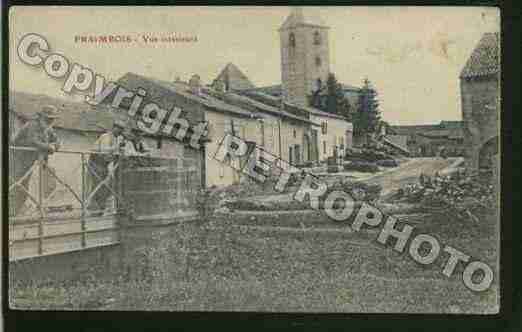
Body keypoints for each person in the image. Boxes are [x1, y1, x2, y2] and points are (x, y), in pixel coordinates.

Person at [10, 105, 61, 216]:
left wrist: (54, 146)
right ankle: (9, 215)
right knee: (14, 186)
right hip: (16, 158)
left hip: (28, 160)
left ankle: (15, 214)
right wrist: (48, 147)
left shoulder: (48, 128)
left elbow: (57, 141)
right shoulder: (32, 124)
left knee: (23, 187)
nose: (50, 121)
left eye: (52, 119)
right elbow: (32, 141)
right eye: (48, 118)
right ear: (41, 117)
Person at [86, 119, 126, 216]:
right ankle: (93, 210)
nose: (120, 132)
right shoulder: (106, 137)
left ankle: (100, 209)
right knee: (97, 186)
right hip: (95, 164)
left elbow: (112, 153)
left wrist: (120, 151)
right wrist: (117, 147)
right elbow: (103, 150)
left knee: (106, 187)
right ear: (114, 128)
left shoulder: (115, 139)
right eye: (119, 129)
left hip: (104, 165)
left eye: (122, 130)